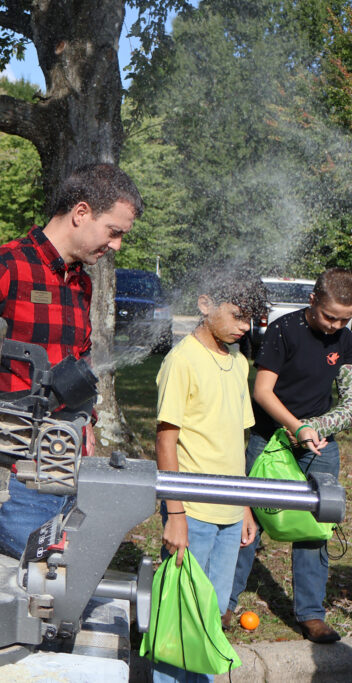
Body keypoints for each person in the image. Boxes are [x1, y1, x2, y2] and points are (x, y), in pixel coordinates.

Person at [0, 163, 142, 558]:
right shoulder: (3, 266)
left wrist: (85, 420)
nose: (118, 245)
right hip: (9, 471)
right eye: (115, 232)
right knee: (27, 573)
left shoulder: (81, 283)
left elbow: (81, 359)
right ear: (81, 213)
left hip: (60, 461)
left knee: (54, 577)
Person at [227, 267, 352, 644]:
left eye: (345, 318)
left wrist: (323, 427)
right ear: (312, 301)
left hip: (319, 449)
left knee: (316, 527)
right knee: (248, 524)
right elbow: (263, 391)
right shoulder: (284, 330)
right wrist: (297, 427)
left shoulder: (344, 337)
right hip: (270, 440)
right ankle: (224, 604)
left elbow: (348, 393)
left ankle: (311, 615)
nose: (335, 325)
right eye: (330, 316)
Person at [152, 271, 265, 683]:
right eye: (237, 316)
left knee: (214, 612)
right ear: (205, 304)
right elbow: (166, 442)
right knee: (181, 614)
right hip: (193, 513)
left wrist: (246, 505)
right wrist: (175, 514)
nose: (243, 327)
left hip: (231, 511)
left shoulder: (238, 361)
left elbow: (239, 439)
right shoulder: (181, 360)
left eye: (249, 320)